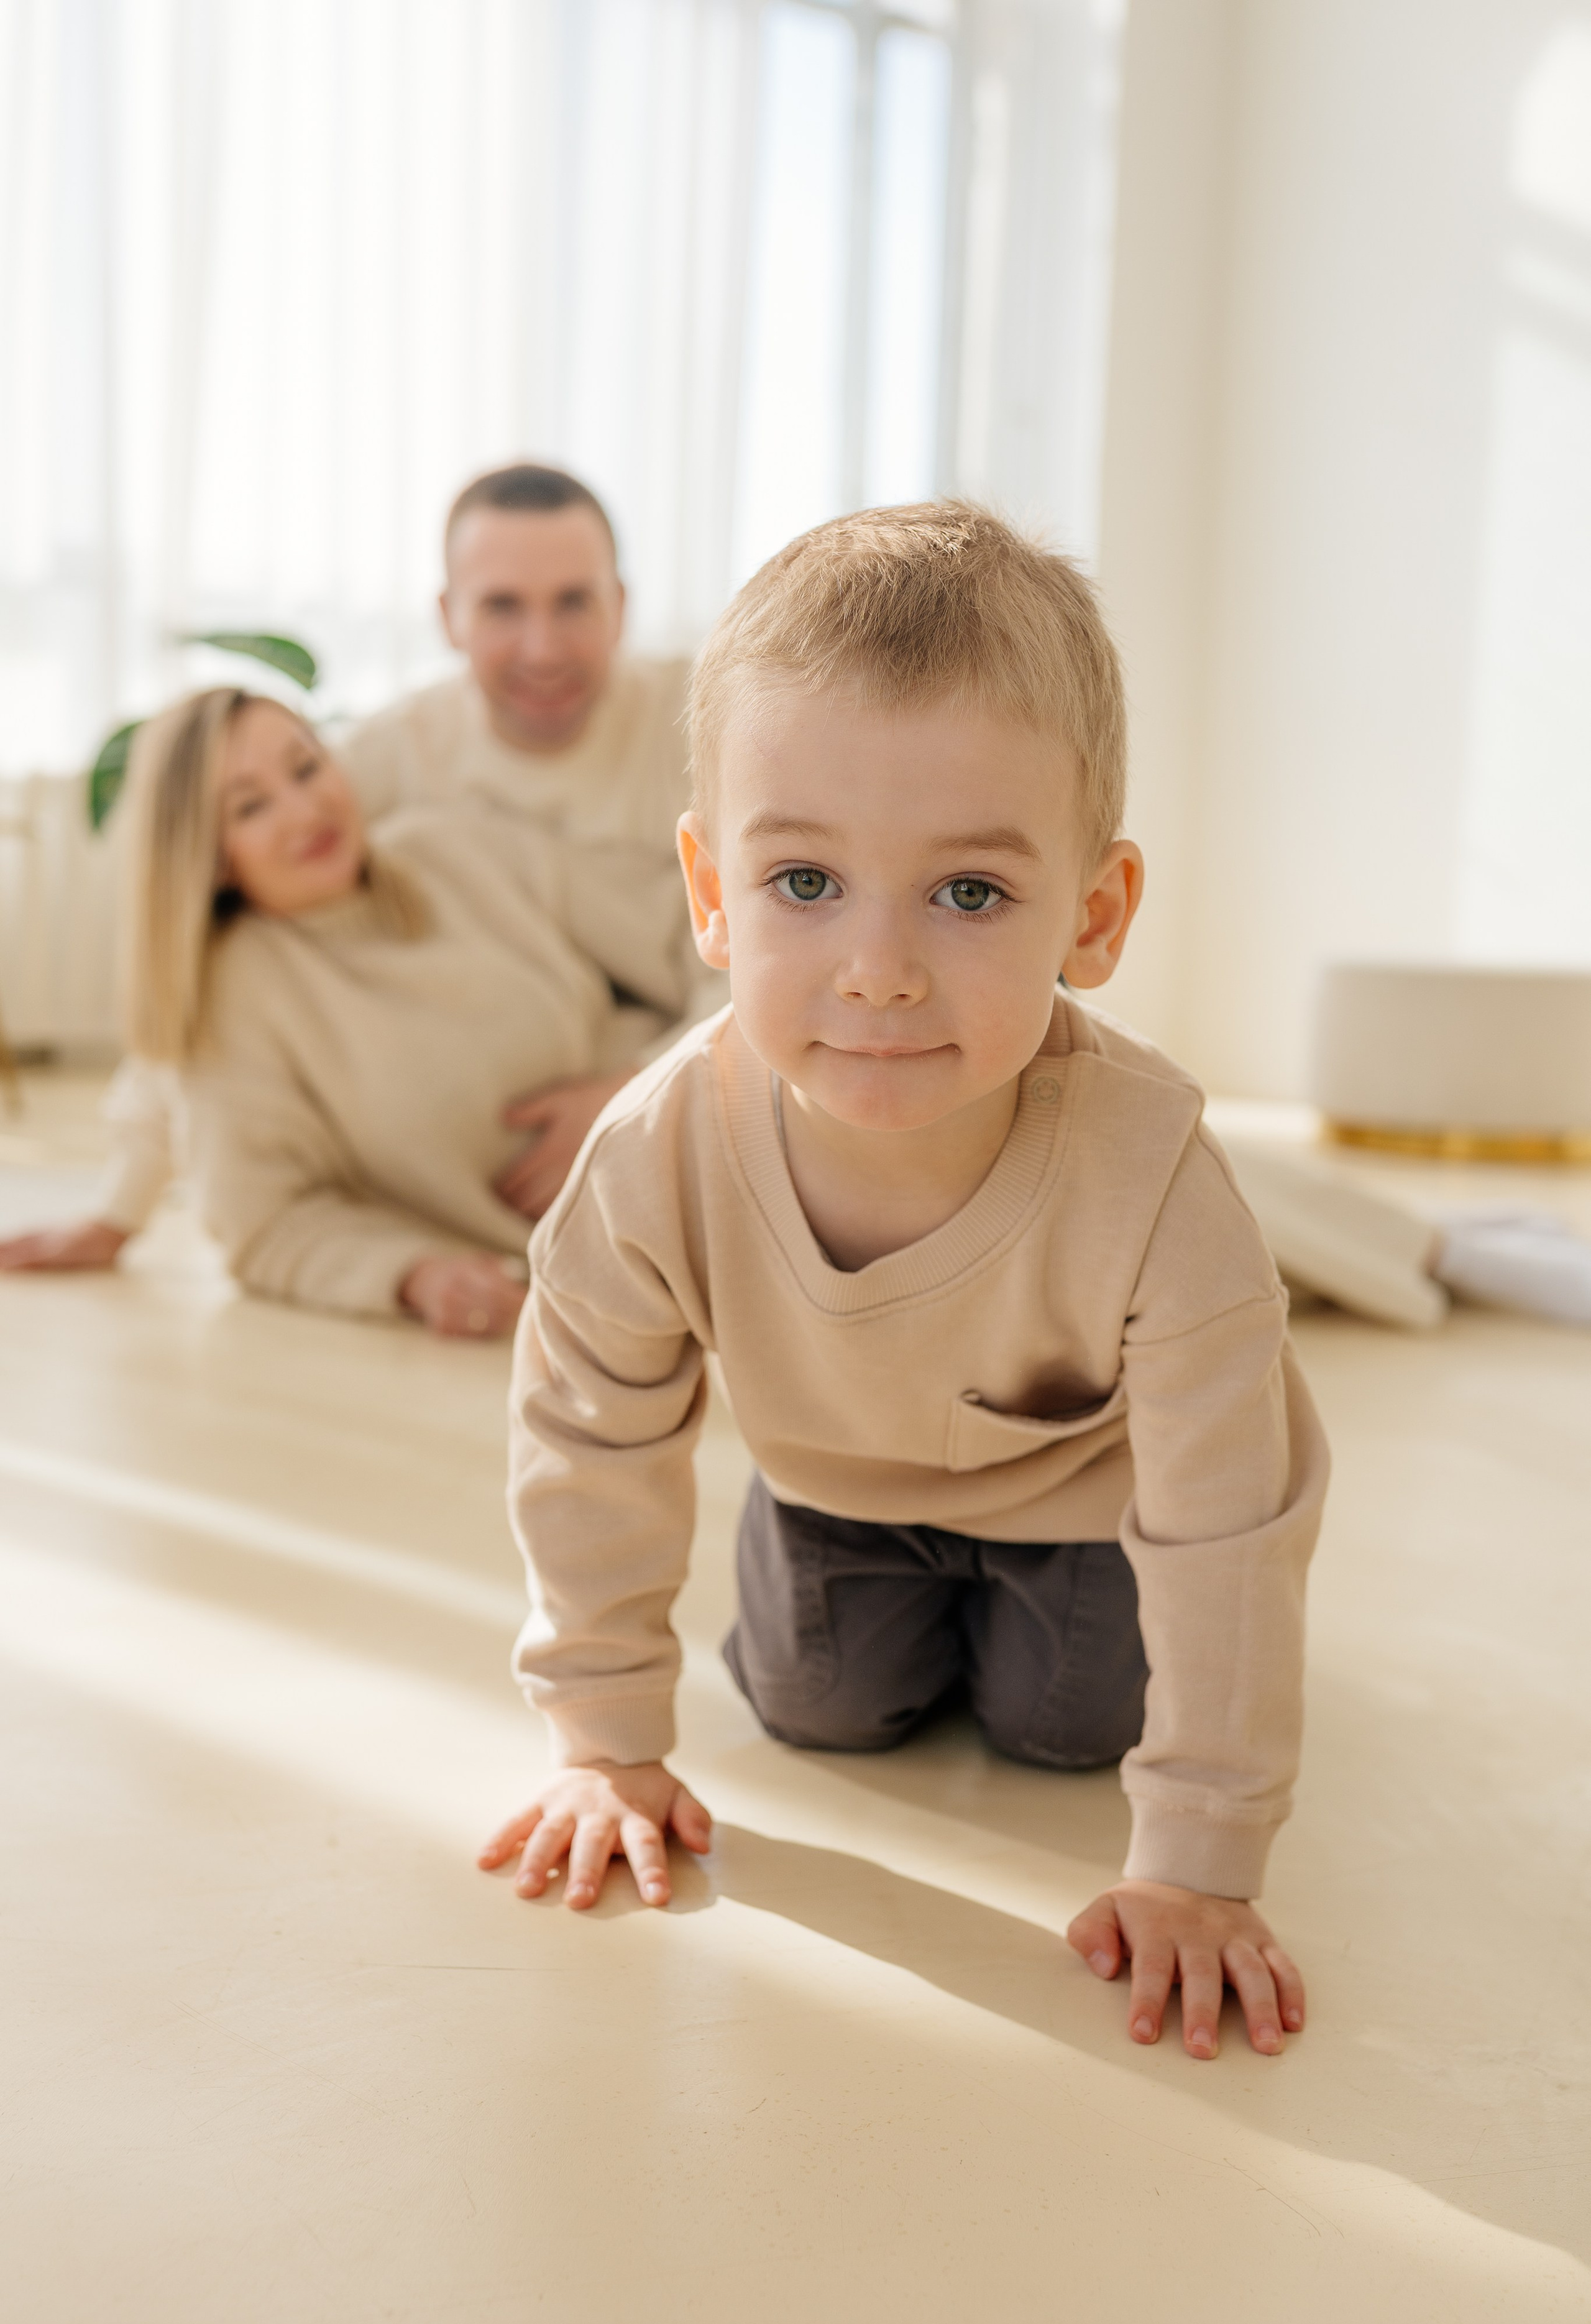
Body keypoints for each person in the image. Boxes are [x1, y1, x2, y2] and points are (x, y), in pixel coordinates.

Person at [479, 500, 1330, 2064]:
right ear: (709, 889)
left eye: (967, 894)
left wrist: (1199, 1854)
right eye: (803, 882)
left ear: (1093, 912)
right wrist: (599, 1738)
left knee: (1064, 1724)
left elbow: (1225, 1517)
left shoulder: (1150, 1171)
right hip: (835, 1486)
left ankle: (1013, 1626)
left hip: (1079, 1500)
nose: (876, 968)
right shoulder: (656, 1147)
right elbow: (585, 1429)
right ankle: (833, 1571)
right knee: (817, 1704)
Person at [0, 464, 715, 1273]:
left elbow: (768, 941)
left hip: (700, 1045)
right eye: (504, 606)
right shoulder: (379, 765)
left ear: (621, 605)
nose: (542, 646)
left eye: (573, 602)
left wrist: (638, 1096)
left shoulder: (706, 723)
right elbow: (187, 969)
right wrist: (117, 1208)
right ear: (448, 617)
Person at [108, 685, 666, 1335]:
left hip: (713, 1147)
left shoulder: (455, 847)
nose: (304, 810)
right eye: (252, 806)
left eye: (307, 767)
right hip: (607, 1286)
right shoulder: (241, 995)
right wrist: (415, 1275)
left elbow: (707, 933)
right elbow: (264, 1226)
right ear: (210, 856)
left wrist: (638, 1090)